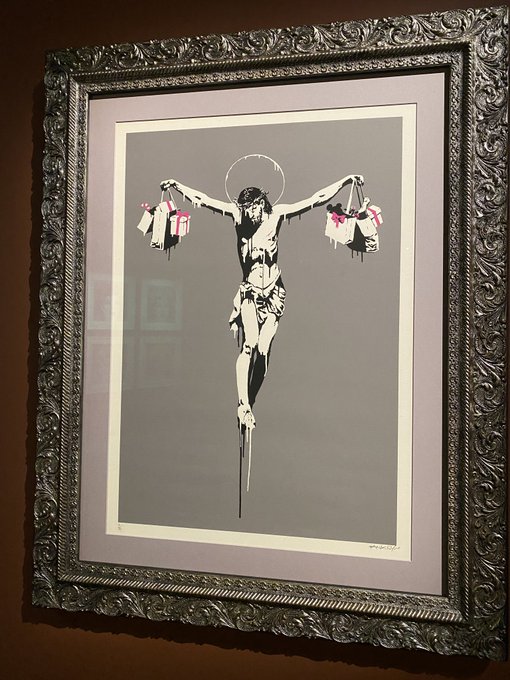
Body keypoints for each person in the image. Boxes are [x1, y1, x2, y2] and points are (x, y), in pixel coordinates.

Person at [160, 173, 363, 431]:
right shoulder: (238, 217)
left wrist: (345, 182)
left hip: (275, 292)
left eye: (252, 208)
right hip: (250, 293)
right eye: (244, 209)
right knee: (250, 345)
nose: (248, 213)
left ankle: (250, 403)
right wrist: (177, 186)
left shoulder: (276, 215)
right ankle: (242, 404)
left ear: (260, 203)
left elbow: (316, 199)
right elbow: (204, 199)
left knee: (264, 351)